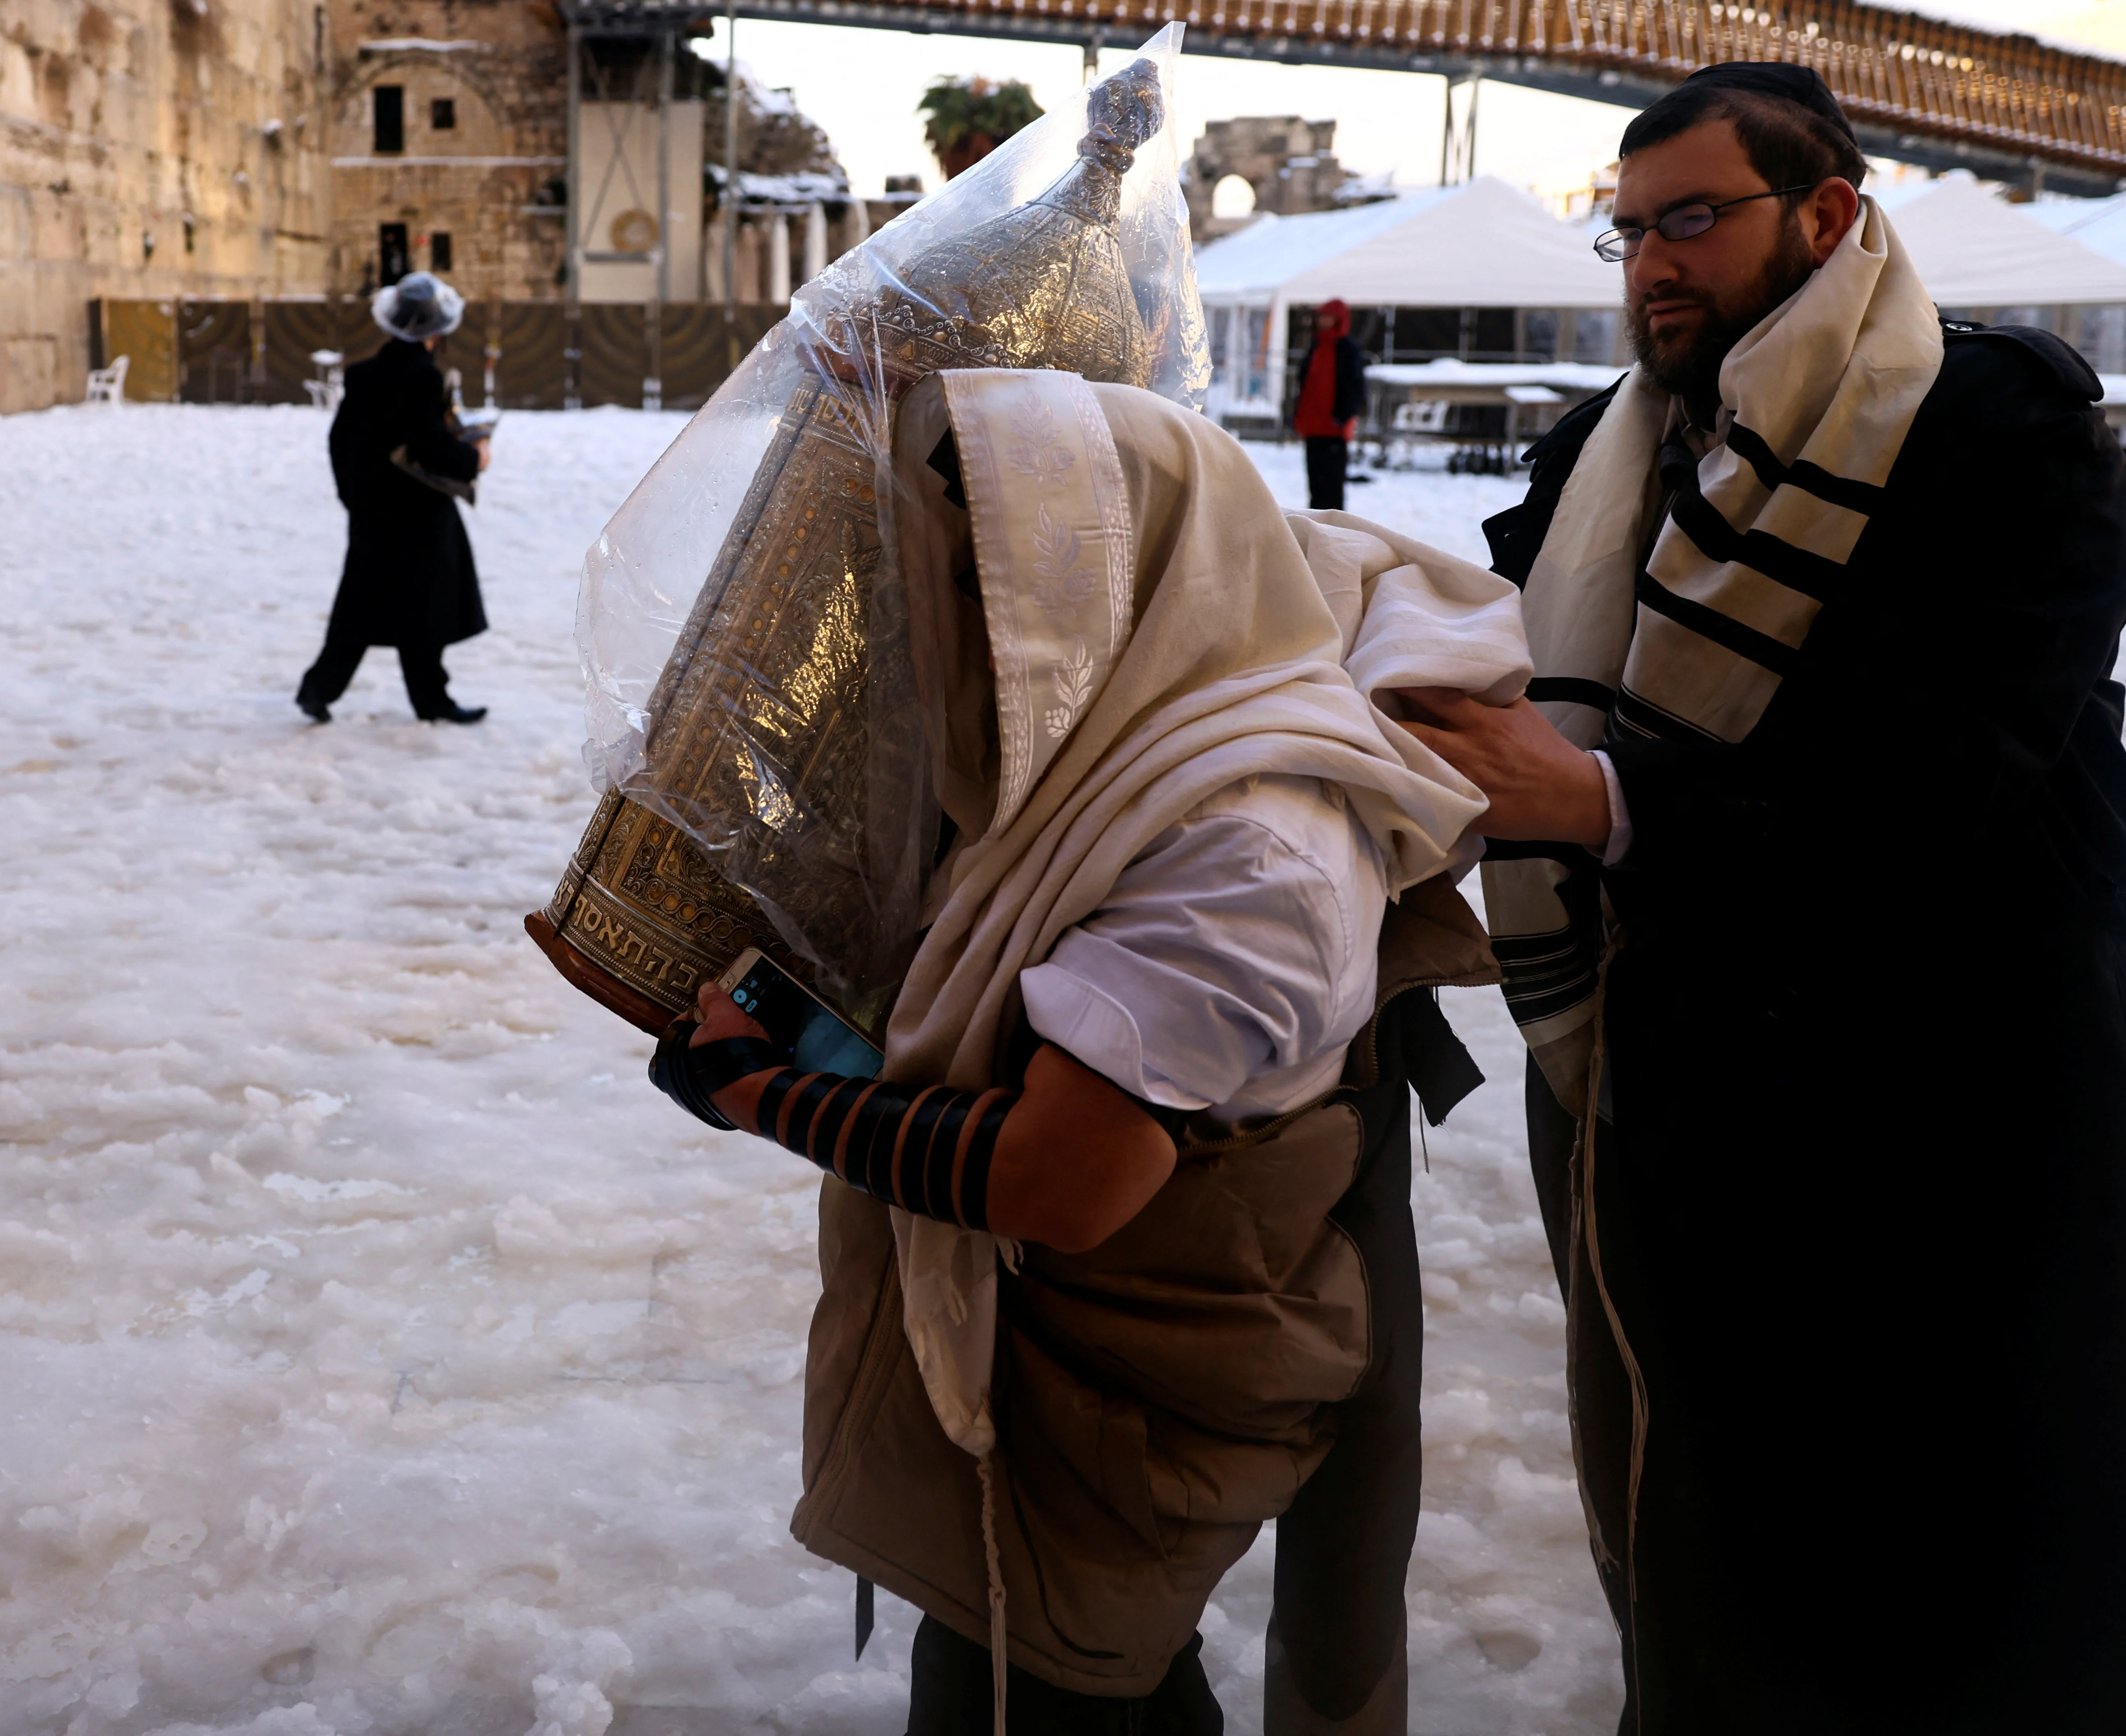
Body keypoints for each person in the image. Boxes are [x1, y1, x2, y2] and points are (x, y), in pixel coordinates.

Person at [1389, 63, 2126, 1731]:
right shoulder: (1602, 447)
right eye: (1628, 228)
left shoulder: (1994, 425)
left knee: (2049, 1564)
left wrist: (1587, 801)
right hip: (1697, 1103)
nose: (1653, 262)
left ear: (1826, 213)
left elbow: (1945, 768)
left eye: (1691, 220)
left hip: (1983, 1110)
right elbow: (1500, 657)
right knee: (1740, 1556)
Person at [648, 366, 1520, 1734]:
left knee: (1058, 1679)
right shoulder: (1118, 749)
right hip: (1068, 1377)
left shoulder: (1249, 844)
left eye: (966, 589)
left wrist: (768, 1094)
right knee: (1026, 1656)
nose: (930, 628)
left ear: (1104, 589)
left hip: (1131, 1391)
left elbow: (1066, 1176)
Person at [297, 273, 491, 725]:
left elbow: (339, 442)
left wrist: (354, 499)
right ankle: (431, 701)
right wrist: (472, 458)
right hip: (418, 515)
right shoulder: (422, 377)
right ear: (435, 330)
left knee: (360, 609)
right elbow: (426, 443)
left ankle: (318, 690)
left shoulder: (363, 375)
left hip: (372, 514)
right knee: (425, 608)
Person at [1290, 299, 1364, 510]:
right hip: (1313, 426)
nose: (1322, 321)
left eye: (1327, 317)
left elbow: (1354, 387)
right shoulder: (1318, 345)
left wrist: (1342, 416)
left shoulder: (1346, 349)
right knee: (1316, 486)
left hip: (1333, 430)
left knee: (1332, 487)